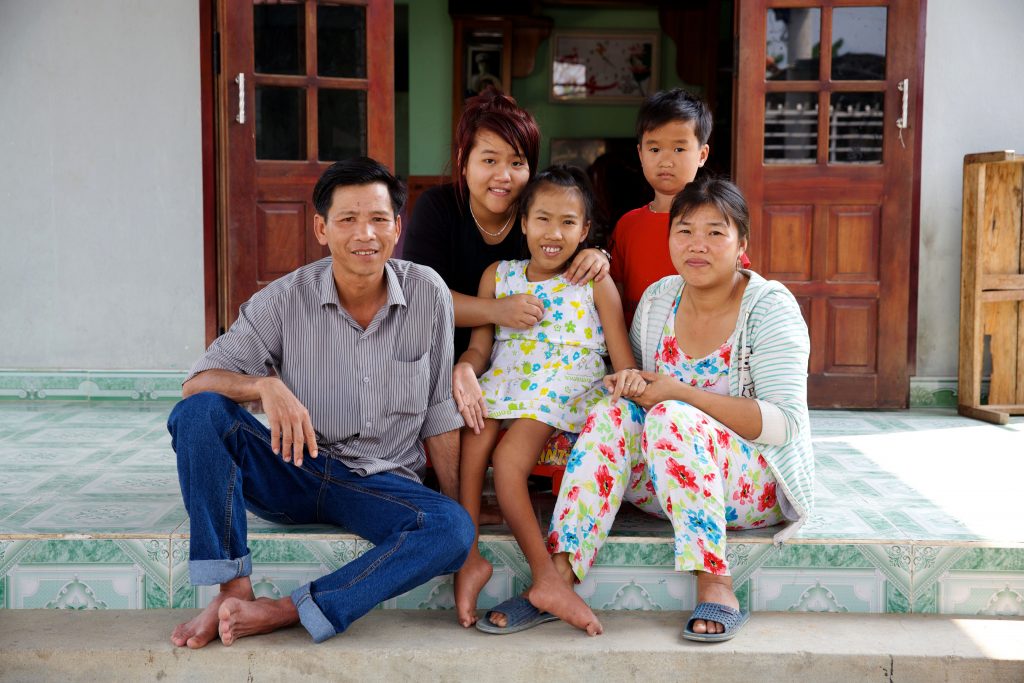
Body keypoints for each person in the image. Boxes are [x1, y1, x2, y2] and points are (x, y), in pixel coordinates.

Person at [166, 158, 474, 648]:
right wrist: (263, 387)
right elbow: (195, 383)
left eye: (377, 219)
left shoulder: (428, 293)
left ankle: (287, 610)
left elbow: (439, 412)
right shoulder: (285, 298)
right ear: (321, 229)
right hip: (296, 467)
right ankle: (231, 587)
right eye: (347, 220)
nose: (364, 234)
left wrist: (456, 510)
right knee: (198, 414)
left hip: (380, 484)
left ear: (398, 226)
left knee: (454, 530)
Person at [547, 176, 813, 642]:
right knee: (612, 414)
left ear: (741, 243)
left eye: (716, 232)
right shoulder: (657, 299)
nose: (698, 245)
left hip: (751, 487)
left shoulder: (770, 307)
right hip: (670, 482)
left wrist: (679, 395)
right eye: (685, 230)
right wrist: (627, 385)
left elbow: (783, 425)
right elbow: (641, 398)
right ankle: (559, 576)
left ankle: (715, 580)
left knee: (671, 415)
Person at [451, 167, 638, 636]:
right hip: (506, 377)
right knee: (473, 437)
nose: (554, 234)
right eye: (543, 219)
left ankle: (544, 577)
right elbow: (480, 347)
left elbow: (621, 361)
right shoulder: (499, 275)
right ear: (522, 222)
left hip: (562, 384)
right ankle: (467, 556)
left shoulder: (594, 282)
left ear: (586, 230)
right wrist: (465, 372)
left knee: (508, 459)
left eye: (568, 223)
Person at [402, 88, 611, 360]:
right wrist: (495, 310)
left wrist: (597, 254)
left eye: (516, 162)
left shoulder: (539, 216)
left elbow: (574, 250)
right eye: (489, 160)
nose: (503, 176)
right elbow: (421, 299)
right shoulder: (437, 207)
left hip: (523, 367)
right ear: (463, 161)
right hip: (439, 358)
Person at [608, 88, 750, 327]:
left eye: (679, 149)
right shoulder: (627, 224)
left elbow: (737, 285)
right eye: (654, 149)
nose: (666, 160)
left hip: (699, 341)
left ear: (702, 154)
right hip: (639, 345)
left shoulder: (718, 222)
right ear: (640, 154)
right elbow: (616, 295)